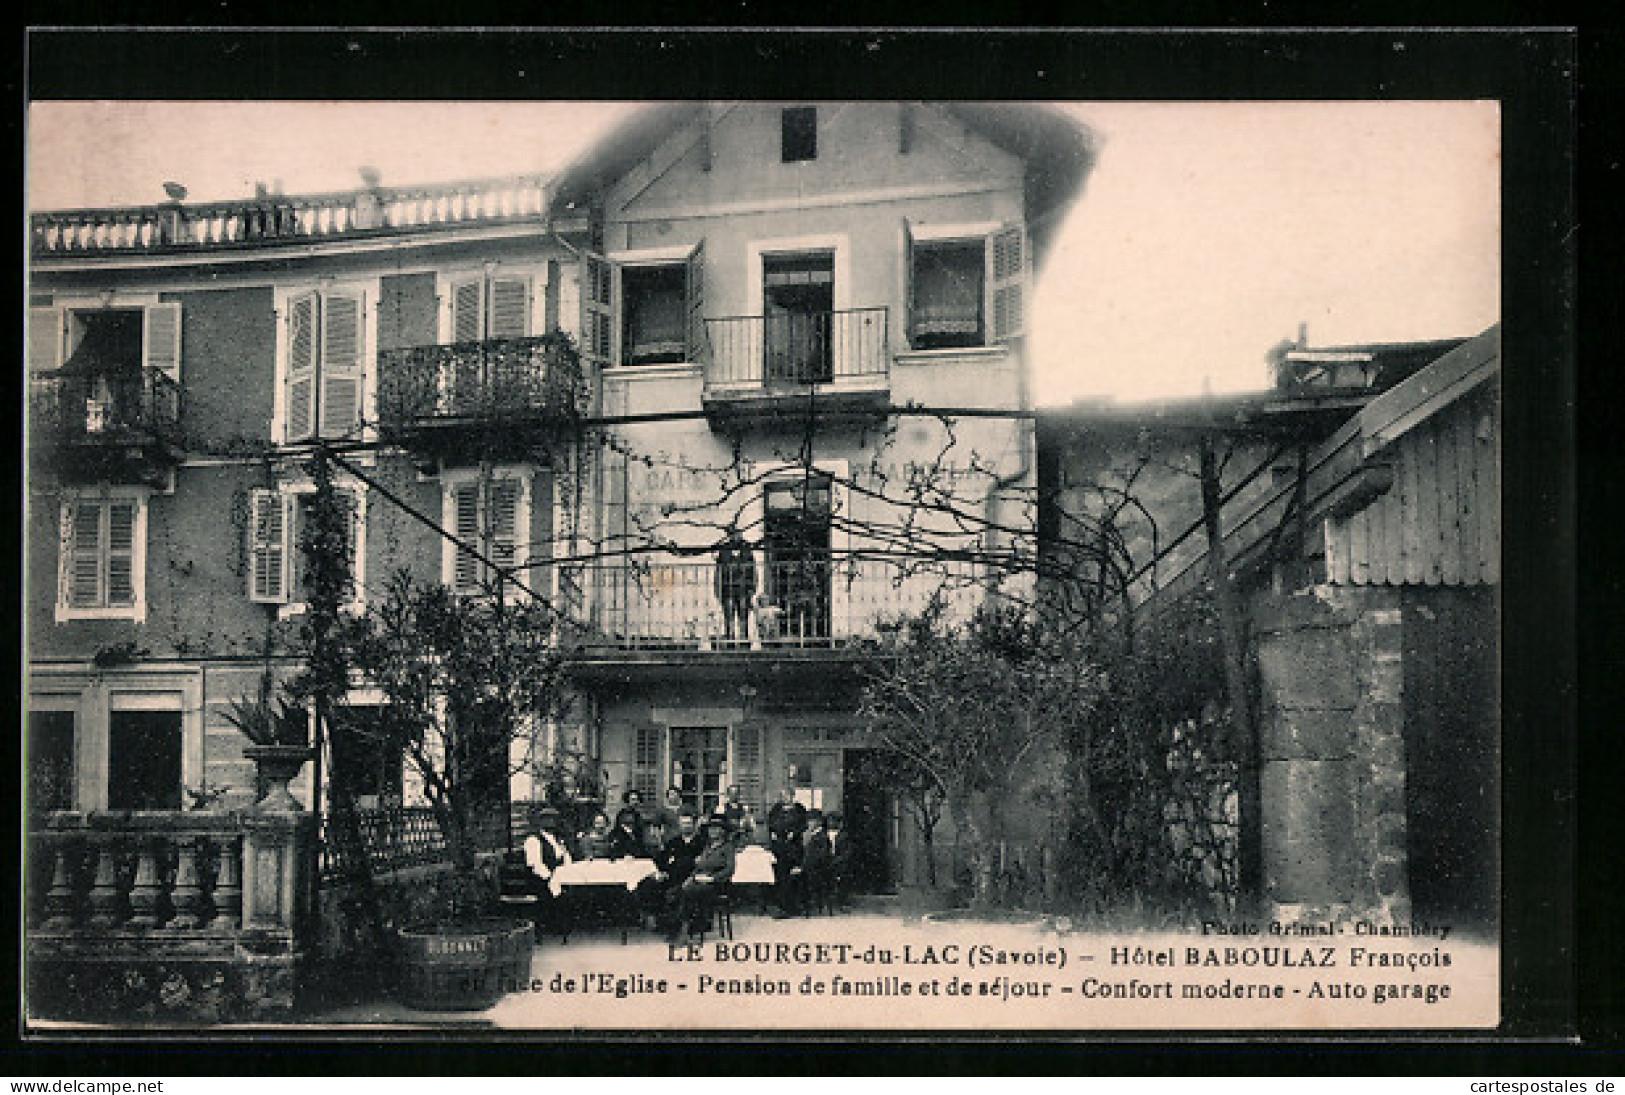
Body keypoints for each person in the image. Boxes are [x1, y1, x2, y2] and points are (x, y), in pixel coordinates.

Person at [639, 809, 705, 933]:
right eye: (683, 824)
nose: (686, 826)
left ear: (694, 825)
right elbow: (662, 860)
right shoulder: (674, 842)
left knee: (677, 892)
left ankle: (679, 927)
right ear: (679, 825)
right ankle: (657, 921)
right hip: (671, 876)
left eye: (688, 823)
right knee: (649, 884)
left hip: (690, 878)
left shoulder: (701, 842)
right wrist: (660, 872)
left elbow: (701, 863)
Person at [675, 819, 736, 940]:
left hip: (717, 885)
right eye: (710, 829)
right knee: (678, 890)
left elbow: (729, 869)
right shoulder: (707, 847)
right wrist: (690, 878)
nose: (712, 831)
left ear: (722, 831)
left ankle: (684, 931)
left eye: (716, 829)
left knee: (689, 892)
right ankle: (682, 928)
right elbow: (699, 867)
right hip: (700, 881)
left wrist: (712, 878)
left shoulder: (727, 847)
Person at [767, 785, 808, 916]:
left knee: (791, 876)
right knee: (779, 875)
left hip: (793, 847)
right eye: (782, 796)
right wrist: (772, 832)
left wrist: (794, 833)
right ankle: (780, 906)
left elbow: (804, 825)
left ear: (792, 795)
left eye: (787, 795)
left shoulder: (799, 809)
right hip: (779, 846)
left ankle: (792, 907)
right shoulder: (776, 809)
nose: (784, 798)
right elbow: (770, 822)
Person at [715, 528, 756, 643]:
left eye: (738, 534)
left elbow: (753, 568)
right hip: (728, 588)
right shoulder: (724, 550)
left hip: (744, 588)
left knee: (743, 614)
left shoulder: (747, 548)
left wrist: (753, 587)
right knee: (729, 615)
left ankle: (744, 640)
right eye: (733, 534)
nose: (736, 537)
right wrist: (717, 589)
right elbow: (718, 570)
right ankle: (730, 639)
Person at [801, 808, 833, 914]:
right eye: (808, 821)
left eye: (811, 821)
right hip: (811, 868)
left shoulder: (822, 837)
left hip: (818, 870)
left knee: (791, 879)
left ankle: (794, 907)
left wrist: (804, 867)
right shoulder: (810, 835)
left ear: (818, 822)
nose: (809, 823)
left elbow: (821, 856)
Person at [826, 811, 854, 909]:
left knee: (844, 873)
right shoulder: (823, 835)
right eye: (829, 821)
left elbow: (847, 852)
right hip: (825, 862)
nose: (831, 823)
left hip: (839, 862)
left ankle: (842, 900)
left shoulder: (844, 836)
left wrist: (837, 860)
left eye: (834, 821)